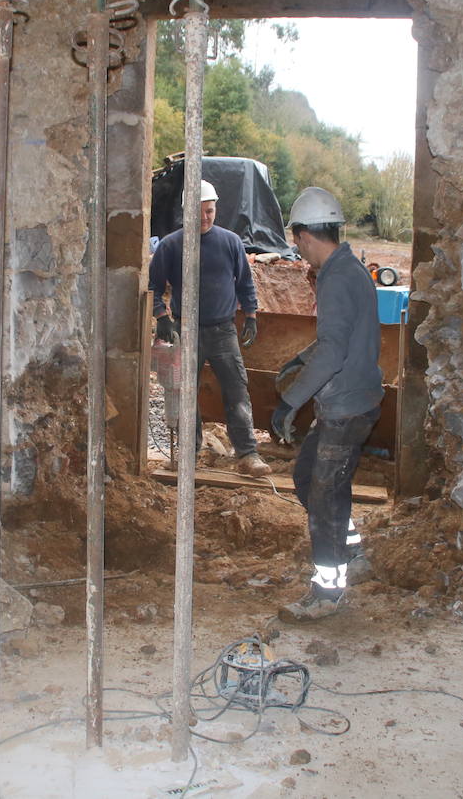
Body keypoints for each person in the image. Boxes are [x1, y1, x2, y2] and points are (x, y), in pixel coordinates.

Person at [270, 186, 384, 621]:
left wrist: (290, 403)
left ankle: (327, 592)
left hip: (345, 408)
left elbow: (334, 350)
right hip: (355, 401)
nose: (299, 254)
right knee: (310, 479)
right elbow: (341, 338)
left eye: (297, 244)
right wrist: (300, 361)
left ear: (304, 236)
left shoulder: (336, 277)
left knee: (322, 495)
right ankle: (350, 549)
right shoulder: (351, 269)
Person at [149, 179, 271, 478]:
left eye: (211, 211)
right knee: (183, 392)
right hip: (185, 330)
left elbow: (244, 282)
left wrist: (252, 315)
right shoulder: (171, 245)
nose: (205, 218)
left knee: (237, 390)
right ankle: (187, 454)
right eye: (200, 212)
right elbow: (153, 286)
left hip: (223, 331)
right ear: (186, 211)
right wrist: (161, 317)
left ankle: (247, 454)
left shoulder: (230, 242)